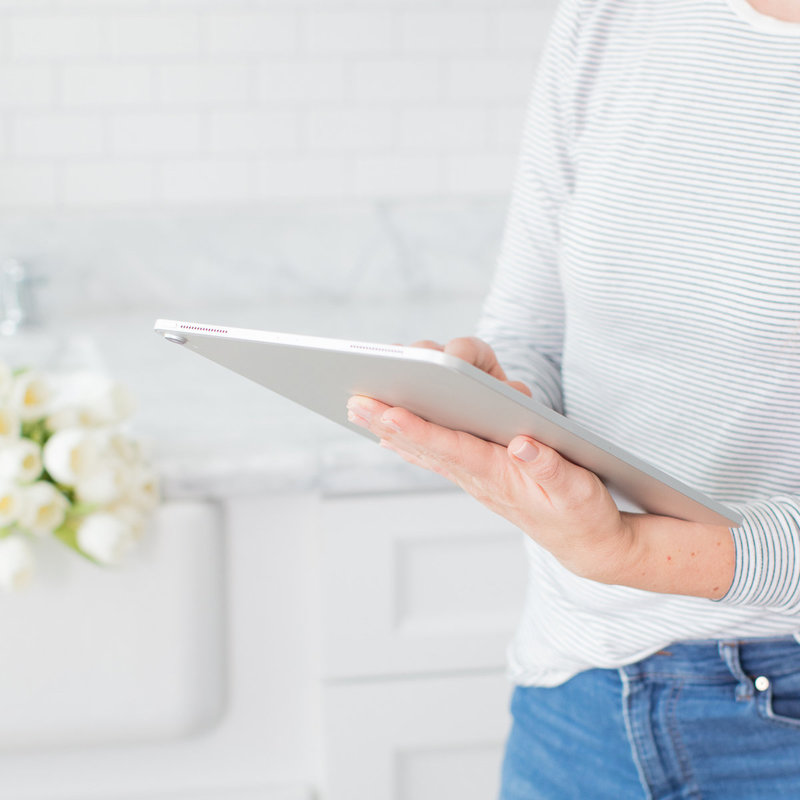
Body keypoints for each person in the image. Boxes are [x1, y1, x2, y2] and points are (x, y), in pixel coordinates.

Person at [347, 0, 800, 797]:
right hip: (578, 695)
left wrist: (632, 553)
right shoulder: (613, 16)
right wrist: (497, 401)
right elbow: (531, 327)